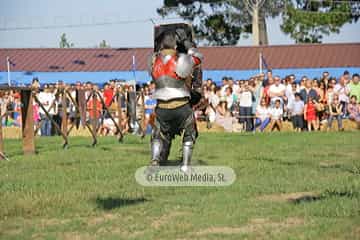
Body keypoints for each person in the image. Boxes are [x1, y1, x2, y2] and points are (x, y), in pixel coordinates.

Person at [149, 29, 203, 172]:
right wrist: (187, 43)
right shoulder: (181, 59)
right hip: (181, 105)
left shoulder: (153, 60)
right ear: (175, 46)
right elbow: (198, 57)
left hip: (161, 106)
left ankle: (155, 161)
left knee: (157, 133)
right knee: (190, 131)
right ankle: (185, 166)